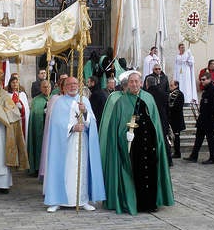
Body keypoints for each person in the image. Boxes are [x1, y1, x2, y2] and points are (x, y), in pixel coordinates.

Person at [99, 71, 174, 214]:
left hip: (149, 146)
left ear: (141, 83)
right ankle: (136, 203)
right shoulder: (121, 102)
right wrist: (124, 136)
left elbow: (155, 124)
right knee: (136, 175)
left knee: (150, 175)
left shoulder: (148, 98)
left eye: (136, 81)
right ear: (127, 84)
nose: (134, 84)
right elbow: (116, 129)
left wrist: (157, 141)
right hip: (132, 149)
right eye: (131, 82)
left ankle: (151, 203)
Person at [43, 76, 105, 212]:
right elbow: (56, 124)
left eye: (75, 83)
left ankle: (82, 200)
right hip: (64, 144)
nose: (73, 86)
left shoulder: (85, 101)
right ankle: (57, 200)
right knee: (65, 170)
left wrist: (85, 112)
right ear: (64, 87)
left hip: (81, 142)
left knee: (81, 170)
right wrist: (72, 127)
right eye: (70, 84)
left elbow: (91, 122)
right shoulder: (59, 102)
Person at [184, 72, 214, 164]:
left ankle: (213, 158)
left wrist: (207, 117)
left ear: (209, 79)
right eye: (201, 80)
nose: (202, 81)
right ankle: (194, 156)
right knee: (198, 138)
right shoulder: (206, 89)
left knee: (210, 139)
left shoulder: (213, 90)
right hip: (203, 119)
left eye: (204, 79)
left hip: (209, 120)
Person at [27, 79, 51, 177]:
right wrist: (43, 113)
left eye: (48, 87)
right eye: (44, 87)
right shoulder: (36, 100)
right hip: (39, 130)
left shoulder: (54, 98)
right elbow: (35, 115)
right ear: (41, 88)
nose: (47, 89)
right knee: (38, 147)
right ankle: (37, 167)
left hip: (50, 131)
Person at [7, 76, 30, 143]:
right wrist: (14, 107)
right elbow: (6, 108)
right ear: (10, 84)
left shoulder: (22, 94)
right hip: (13, 121)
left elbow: (26, 109)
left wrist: (22, 107)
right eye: (13, 82)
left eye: (16, 82)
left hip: (22, 120)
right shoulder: (7, 95)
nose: (15, 84)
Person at [167, 80, 185, 159]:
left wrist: (169, 108)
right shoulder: (171, 93)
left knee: (176, 136)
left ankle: (177, 152)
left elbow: (178, 107)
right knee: (171, 136)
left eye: (171, 85)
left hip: (176, 119)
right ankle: (172, 151)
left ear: (176, 85)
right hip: (172, 119)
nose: (170, 87)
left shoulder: (179, 94)